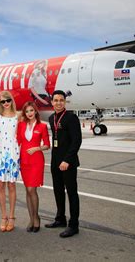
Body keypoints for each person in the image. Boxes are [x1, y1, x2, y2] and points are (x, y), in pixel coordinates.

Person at [46, 90, 82, 238]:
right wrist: (56, 161)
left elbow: (76, 141)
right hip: (55, 162)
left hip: (68, 163)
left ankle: (74, 225)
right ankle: (60, 219)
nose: (58, 103)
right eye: (56, 100)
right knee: (58, 191)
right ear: (52, 102)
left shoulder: (71, 118)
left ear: (65, 102)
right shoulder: (51, 118)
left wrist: (67, 160)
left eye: (61, 100)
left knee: (72, 193)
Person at [17, 101, 50, 232]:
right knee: (27, 190)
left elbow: (47, 145)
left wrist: (37, 148)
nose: (29, 113)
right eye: (27, 111)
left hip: (36, 161)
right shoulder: (21, 125)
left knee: (32, 190)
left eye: (31, 110)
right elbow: (18, 141)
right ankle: (31, 219)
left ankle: (36, 218)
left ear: (35, 111)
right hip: (24, 161)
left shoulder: (42, 126)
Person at [0, 91, 21, 232]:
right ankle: (3, 217)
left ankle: (12, 216)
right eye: (2, 101)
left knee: (12, 186)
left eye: (8, 100)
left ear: (12, 100)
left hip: (13, 152)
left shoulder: (18, 116)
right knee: (1, 186)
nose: (6, 103)